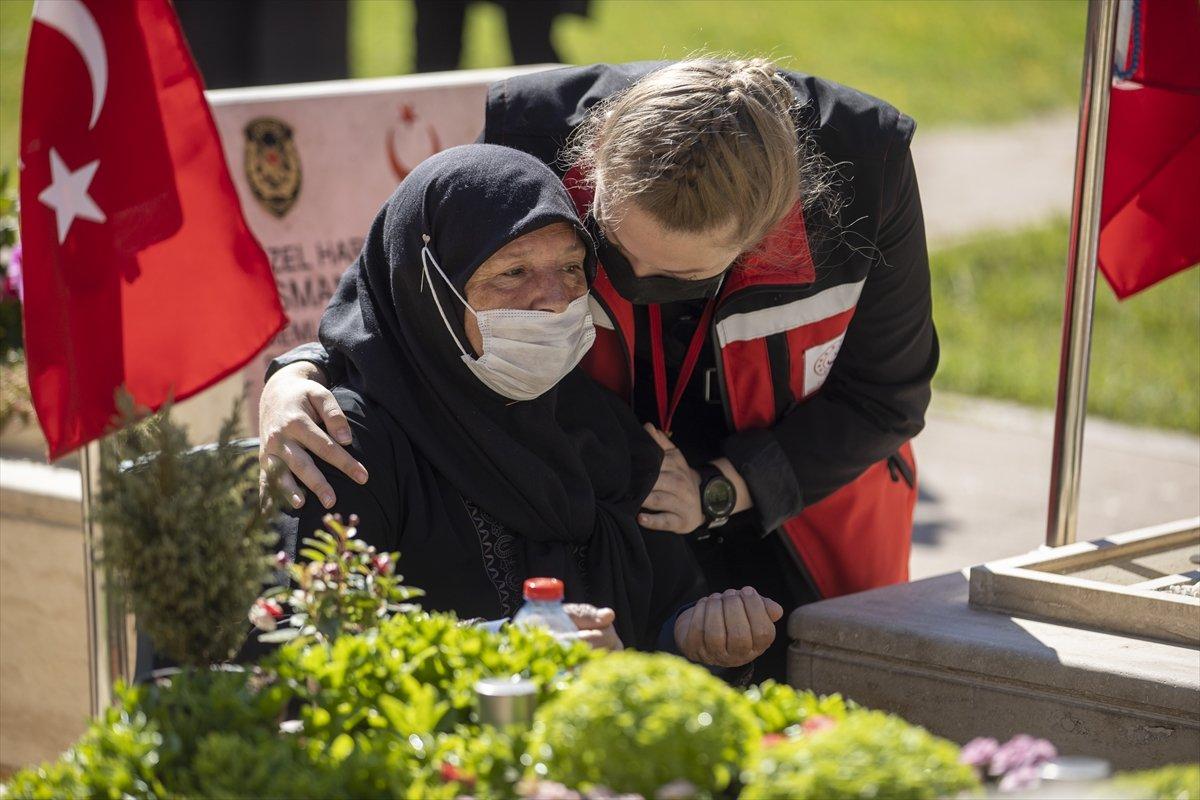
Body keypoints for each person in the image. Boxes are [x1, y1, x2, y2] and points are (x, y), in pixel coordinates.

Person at [261, 58, 937, 681]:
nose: (626, 283)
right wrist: (296, 372)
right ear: (594, 165)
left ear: (761, 239)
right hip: (588, 461)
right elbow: (415, 264)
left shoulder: (866, 166)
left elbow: (887, 395)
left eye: (678, 279)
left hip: (790, 505)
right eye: (609, 252)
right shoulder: (537, 128)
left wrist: (724, 497)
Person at [275, 143, 783, 667]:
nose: (554, 298)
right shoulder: (345, 442)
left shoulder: (598, 427)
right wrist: (499, 648)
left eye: (570, 267)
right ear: (431, 293)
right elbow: (307, 647)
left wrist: (694, 637)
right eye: (513, 273)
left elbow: (659, 617)